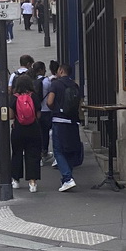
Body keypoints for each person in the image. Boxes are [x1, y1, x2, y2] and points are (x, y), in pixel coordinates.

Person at [47, 63, 83, 191]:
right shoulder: (75, 85)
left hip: (59, 120)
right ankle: (67, 177)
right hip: (72, 121)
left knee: (58, 151)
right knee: (70, 150)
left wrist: (55, 109)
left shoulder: (55, 84)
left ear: (61, 71)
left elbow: (50, 101)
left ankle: (67, 178)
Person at [10, 72, 43, 192]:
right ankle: (32, 182)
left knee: (17, 153)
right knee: (33, 154)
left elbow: (10, 115)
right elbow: (38, 114)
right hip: (33, 128)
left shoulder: (14, 97)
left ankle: (16, 180)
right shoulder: (34, 96)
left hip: (18, 129)